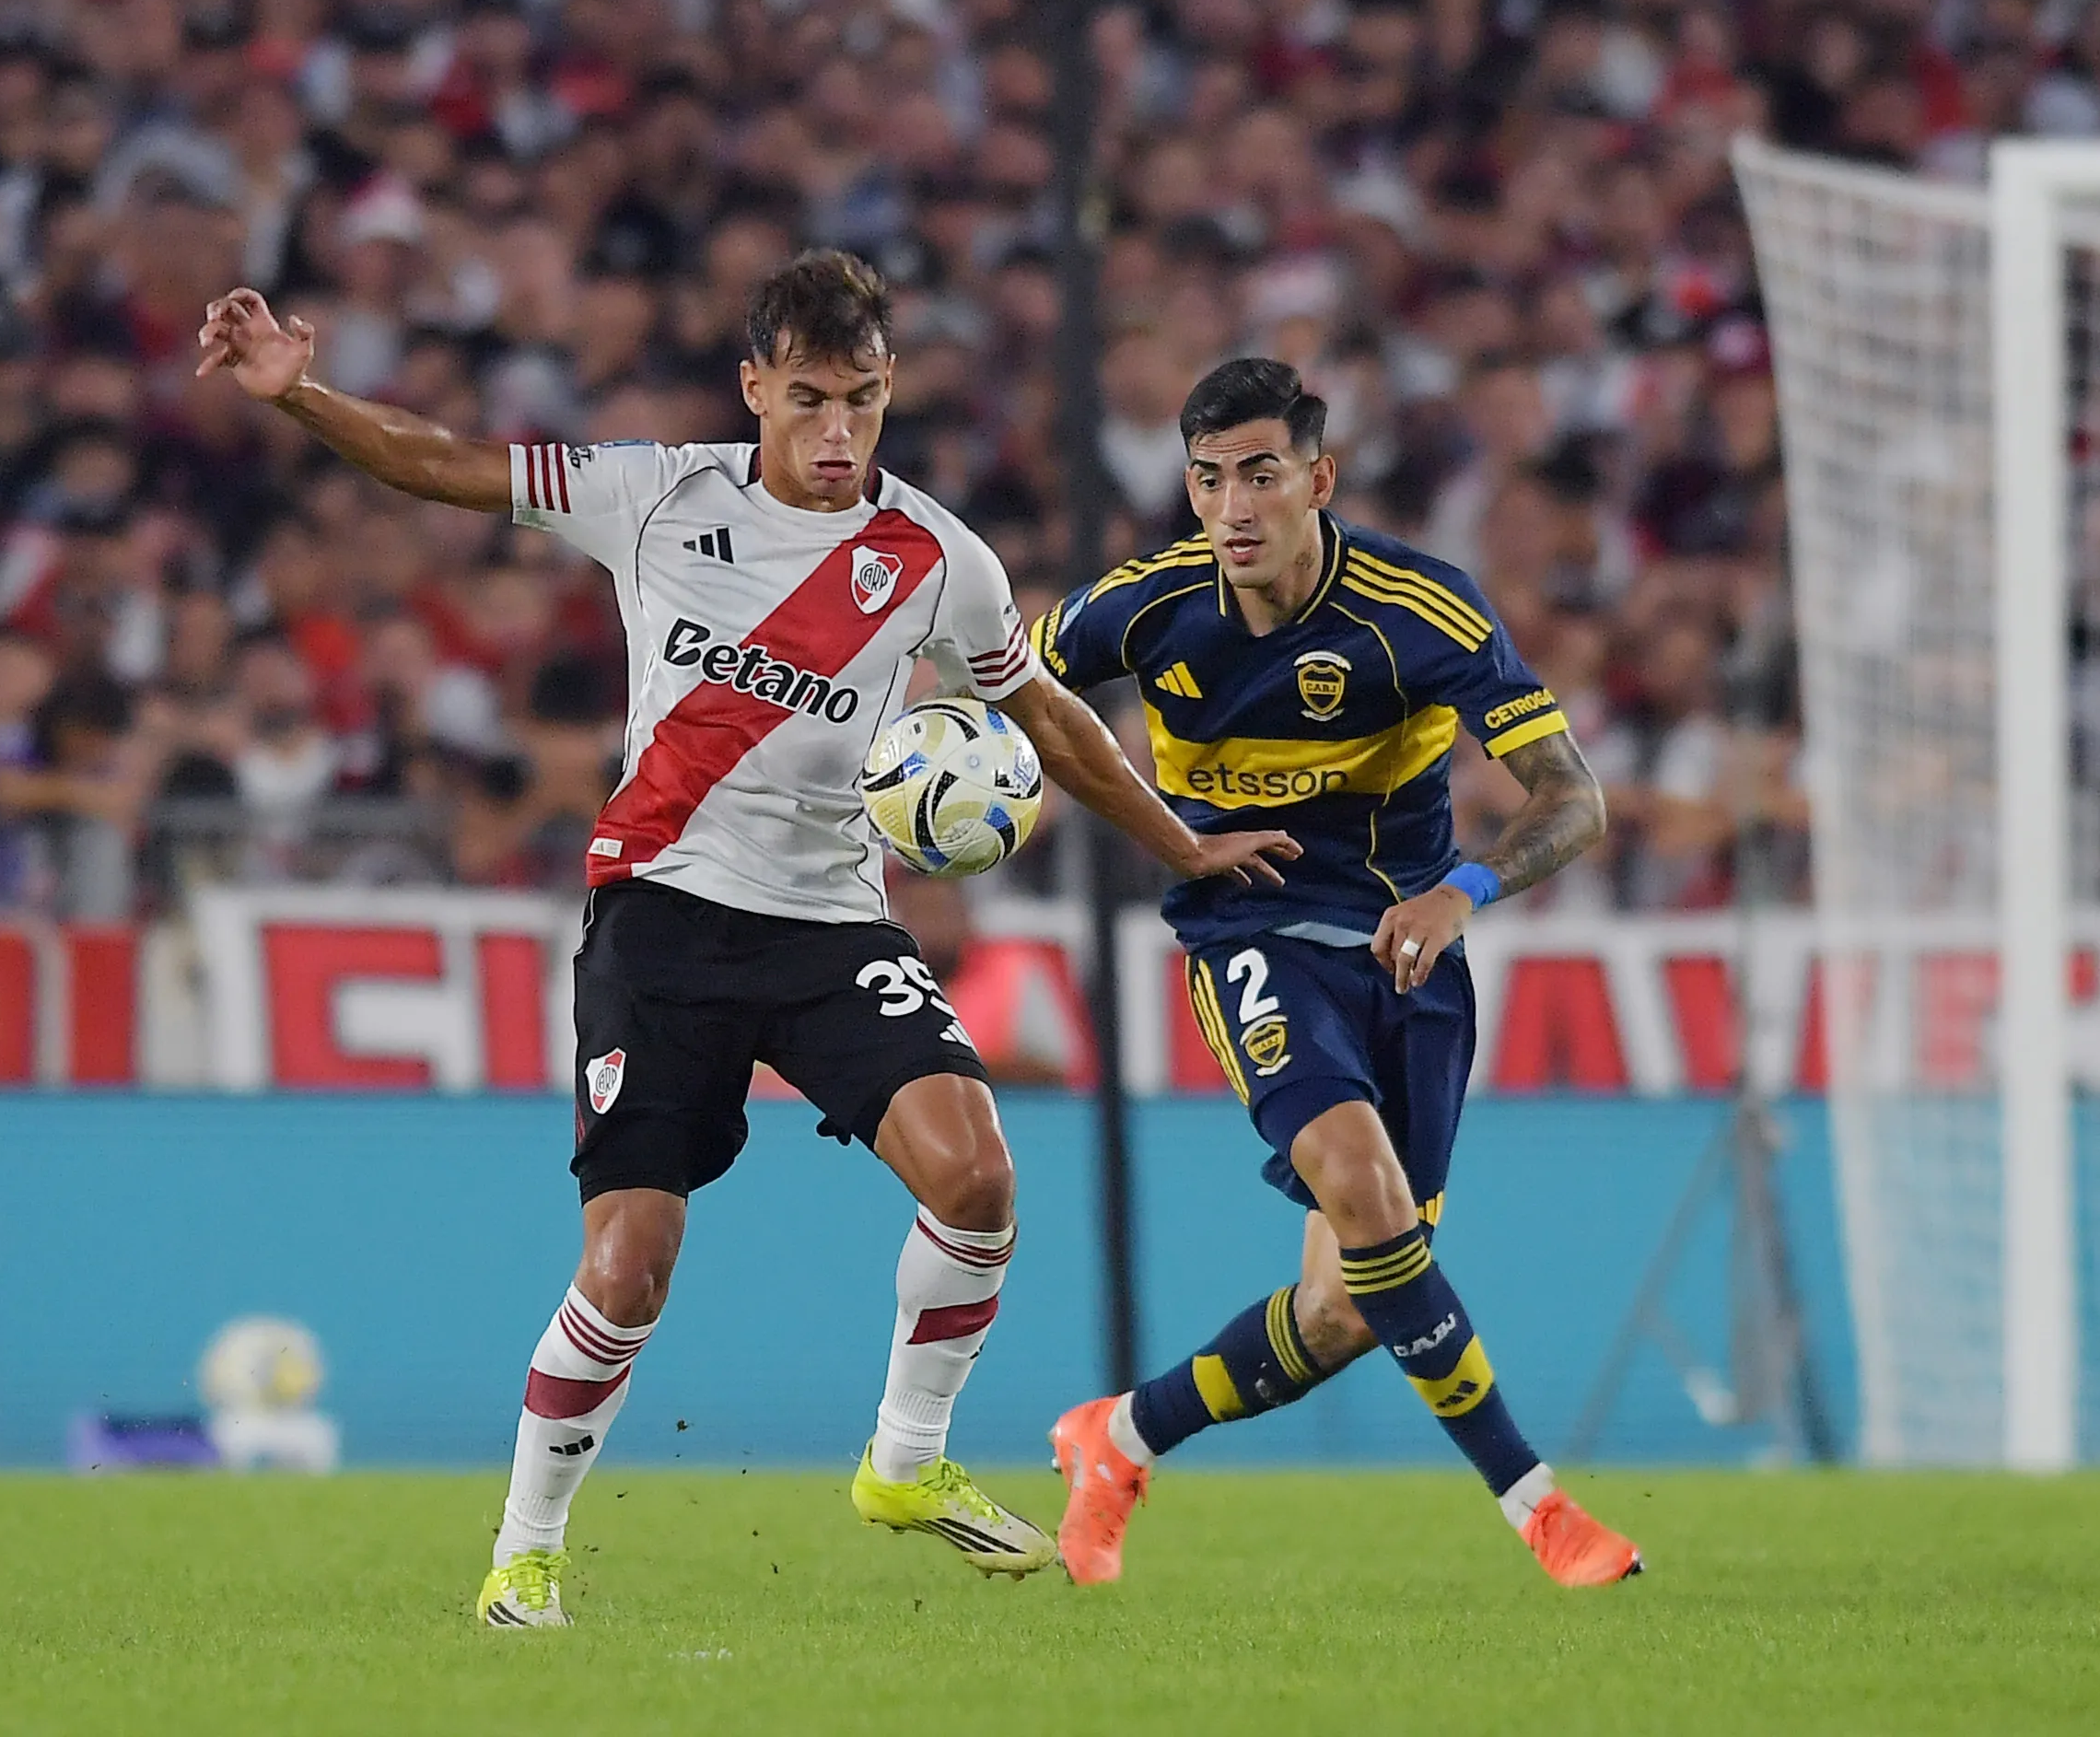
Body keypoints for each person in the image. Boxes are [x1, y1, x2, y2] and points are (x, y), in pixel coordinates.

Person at [196, 252, 1295, 1627]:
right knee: (627, 1266)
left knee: (977, 1177)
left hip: (832, 922)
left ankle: (905, 1465)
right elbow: (444, 465)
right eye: (813, 401)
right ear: (756, 388)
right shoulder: (655, 494)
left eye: (867, 402)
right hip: (660, 918)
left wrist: (1182, 844)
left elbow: (1052, 721)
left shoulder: (937, 559)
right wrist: (300, 395)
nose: (840, 436)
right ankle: (525, 1550)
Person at [1038, 358, 1640, 1589]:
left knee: (1348, 1308)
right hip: (1248, 930)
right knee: (1364, 1192)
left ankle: (1122, 1434)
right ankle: (1539, 1509)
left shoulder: (1421, 611)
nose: (1233, 508)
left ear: (1319, 478)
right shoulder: (1143, 610)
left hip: (1404, 949)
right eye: (1208, 481)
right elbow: (1007, 682)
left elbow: (1574, 799)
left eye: (1261, 475)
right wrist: (949, 763)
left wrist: (1462, 890)